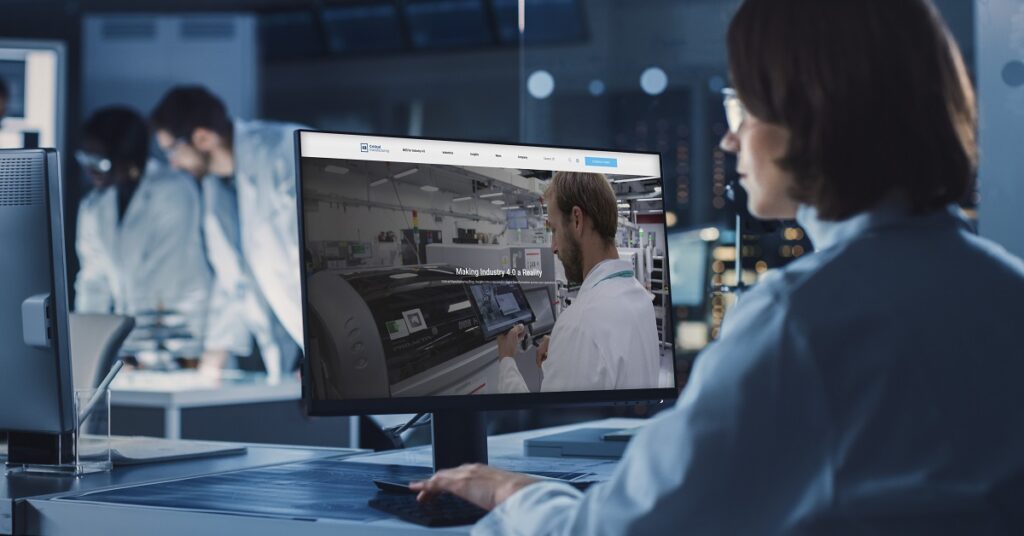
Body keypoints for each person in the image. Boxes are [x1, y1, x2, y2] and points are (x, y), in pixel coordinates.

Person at [410, 0, 1024, 532]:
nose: (730, 142)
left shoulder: (800, 322)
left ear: (811, 117)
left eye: (741, 110)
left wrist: (510, 493)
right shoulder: (1005, 288)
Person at [150, 86, 304, 379]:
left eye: (172, 150)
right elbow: (232, 279)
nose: (172, 163)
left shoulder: (284, 150)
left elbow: (323, 261)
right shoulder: (216, 185)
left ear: (202, 138)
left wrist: (317, 361)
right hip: (289, 344)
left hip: (333, 336)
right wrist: (215, 354)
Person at [494, 171, 660, 393]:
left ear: (577, 220)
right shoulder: (640, 297)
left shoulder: (580, 323)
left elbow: (546, 423)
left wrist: (507, 361)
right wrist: (564, 351)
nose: (553, 247)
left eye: (554, 230)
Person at [74, 106, 211, 353]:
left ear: (126, 157)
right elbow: (93, 279)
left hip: (180, 336)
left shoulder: (173, 191)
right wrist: (85, 345)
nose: (90, 170)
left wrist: (125, 347)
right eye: (86, 158)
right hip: (132, 339)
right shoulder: (94, 205)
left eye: (100, 161)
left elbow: (161, 277)